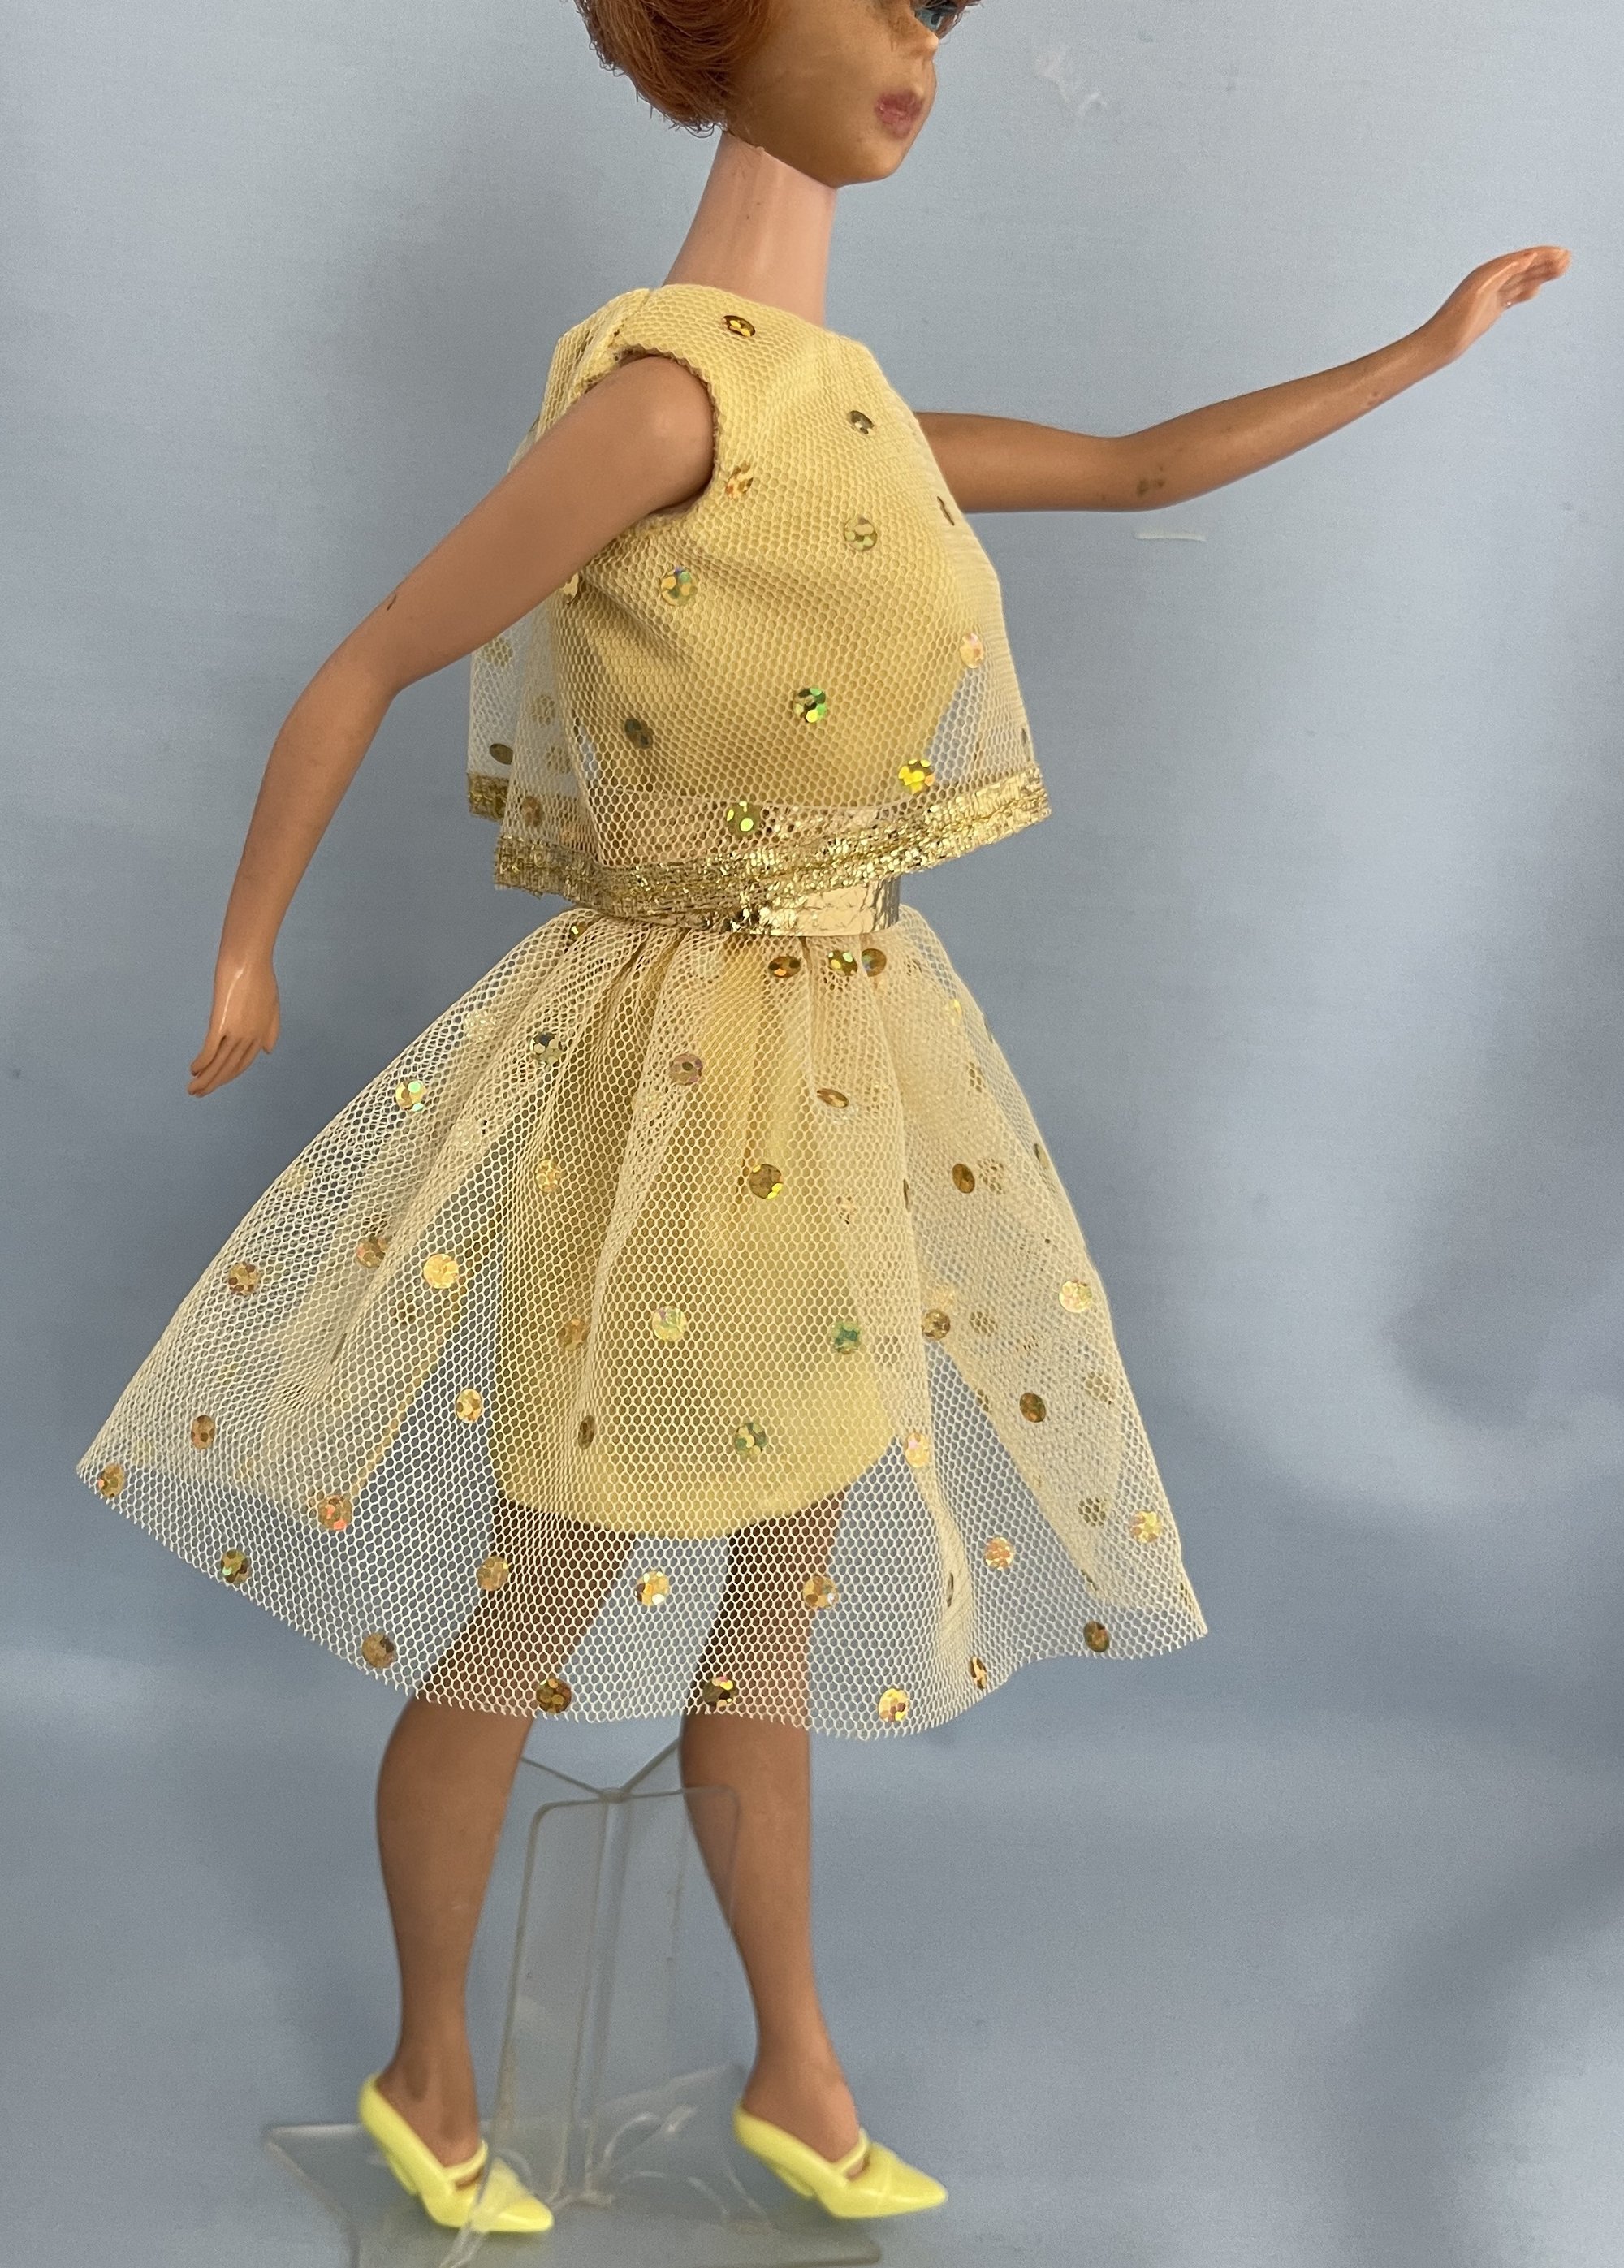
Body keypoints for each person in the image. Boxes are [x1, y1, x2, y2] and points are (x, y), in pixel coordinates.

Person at [77, 0, 1570, 2236]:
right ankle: (429, 2059)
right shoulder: (664, 403)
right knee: (541, 1584)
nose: (915, 51)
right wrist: (246, 946)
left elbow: (1144, 467)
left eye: (936, 14)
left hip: (851, 1055)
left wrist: (1424, 349)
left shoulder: (853, 413)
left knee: (778, 1585)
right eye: (869, 2)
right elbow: (375, 653)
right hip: (675, 1075)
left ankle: (796, 2062)